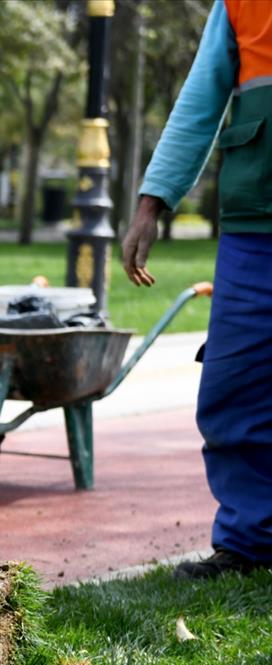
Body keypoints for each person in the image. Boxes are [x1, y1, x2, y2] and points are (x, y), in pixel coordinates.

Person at [122, 0, 271, 580]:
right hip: (254, 219)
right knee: (234, 385)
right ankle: (250, 543)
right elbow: (200, 102)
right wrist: (151, 203)